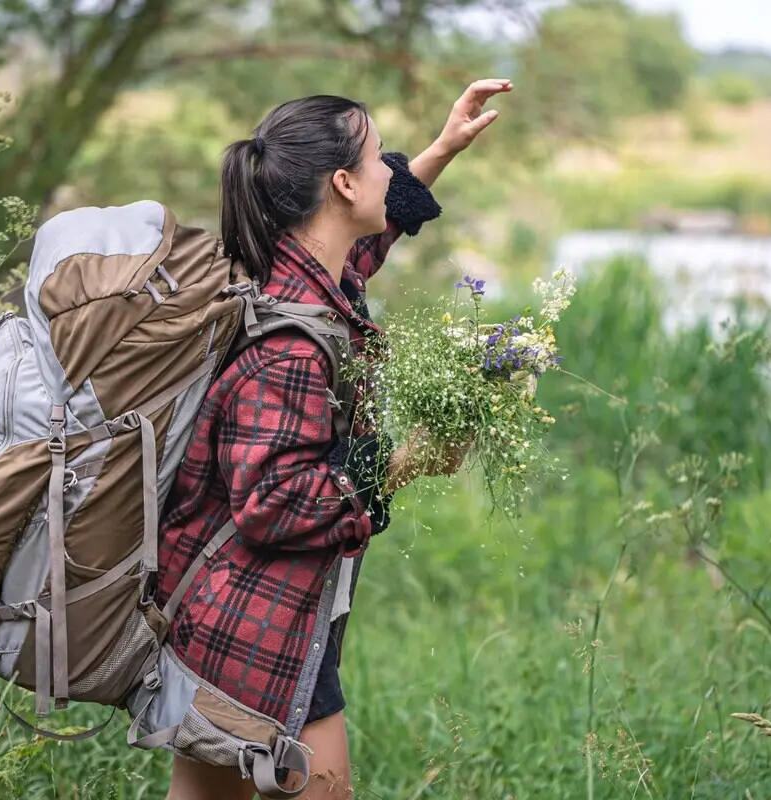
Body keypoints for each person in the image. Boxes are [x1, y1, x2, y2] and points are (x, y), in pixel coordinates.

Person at [155, 78, 513, 799]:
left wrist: (442, 149)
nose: (390, 170)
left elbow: (365, 244)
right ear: (343, 184)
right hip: (258, 627)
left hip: (212, 610)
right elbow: (275, 503)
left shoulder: (292, 271)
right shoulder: (291, 343)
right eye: (380, 158)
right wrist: (405, 462)